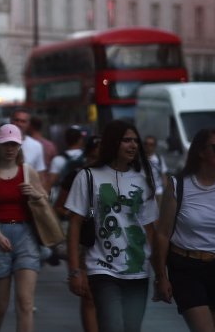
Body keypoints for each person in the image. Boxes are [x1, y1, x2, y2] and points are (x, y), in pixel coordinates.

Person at [152, 129, 215, 332]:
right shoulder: (178, 185)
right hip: (186, 268)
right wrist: (161, 276)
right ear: (200, 152)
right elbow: (163, 233)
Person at [65, 120, 158, 332]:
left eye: (135, 141)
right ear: (112, 142)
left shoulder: (142, 180)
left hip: (137, 272)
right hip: (102, 269)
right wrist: (75, 271)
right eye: (126, 140)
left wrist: (160, 274)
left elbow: (151, 230)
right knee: (112, 327)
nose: (133, 145)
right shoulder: (88, 177)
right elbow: (75, 226)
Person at [0, 124, 48, 332]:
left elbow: (45, 198)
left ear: (20, 146)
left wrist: (35, 194)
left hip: (26, 235)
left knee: (26, 303)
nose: (10, 148)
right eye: (6, 144)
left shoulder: (28, 171)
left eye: (14, 144)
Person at [53, 135, 101, 332]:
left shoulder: (118, 175)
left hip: (109, 239)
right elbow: (59, 207)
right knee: (89, 296)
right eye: (93, 156)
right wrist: (78, 214)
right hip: (84, 240)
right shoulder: (76, 175)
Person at [0, 108, 46, 173]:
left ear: (29, 124)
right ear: (10, 120)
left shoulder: (37, 146)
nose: (19, 124)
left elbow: (40, 174)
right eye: (16, 120)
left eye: (23, 121)